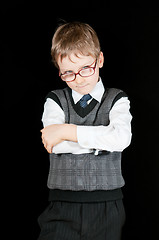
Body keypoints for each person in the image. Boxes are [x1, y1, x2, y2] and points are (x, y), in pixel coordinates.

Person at [38, 21, 132, 240]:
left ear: (99, 60)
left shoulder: (117, 99)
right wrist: (101, 143)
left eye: (85, 69)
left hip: (107, 206)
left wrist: (67, 130)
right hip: (61, 204)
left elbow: (121, 138)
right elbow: (55, 144)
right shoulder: (55, 100)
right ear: (59, 70)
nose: (78, 80)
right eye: (68, 73)